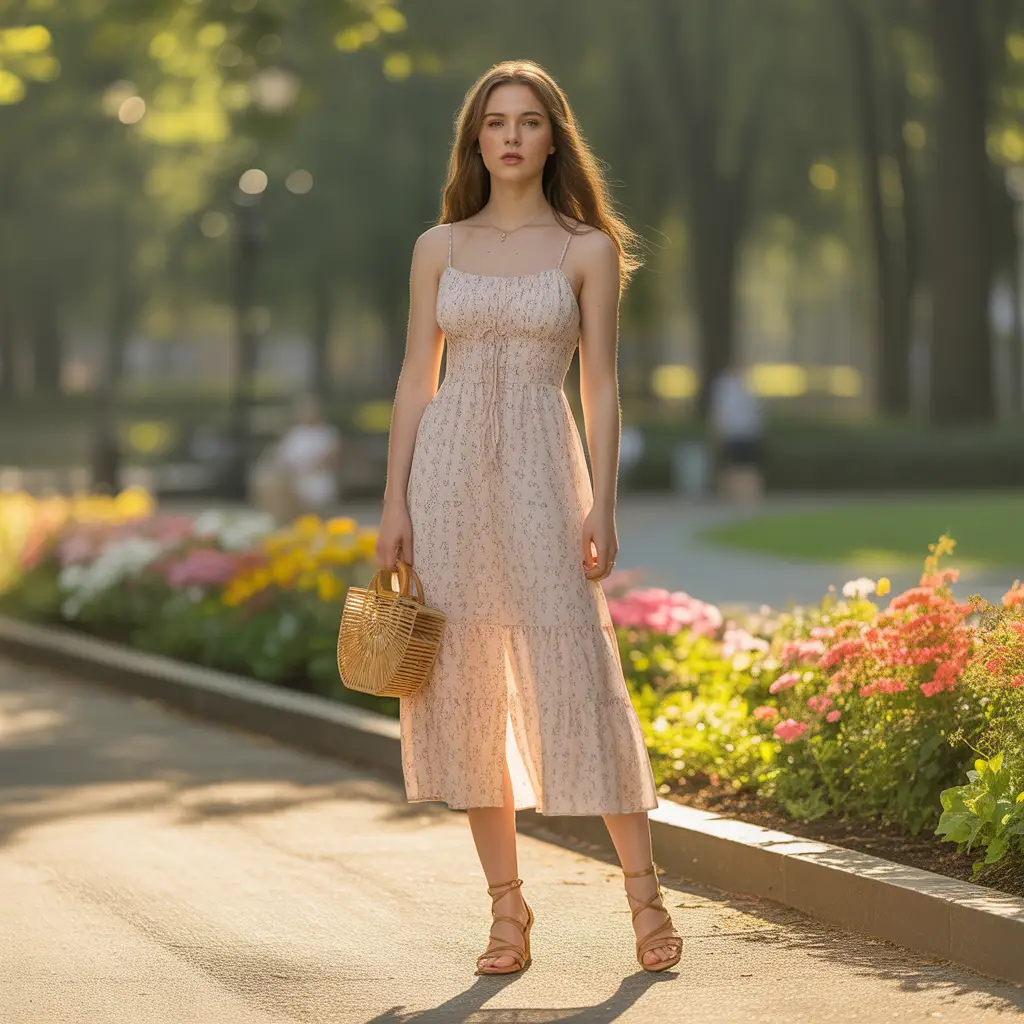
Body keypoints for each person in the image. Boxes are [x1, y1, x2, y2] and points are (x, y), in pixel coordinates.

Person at [374, 60, 681, 975]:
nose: (511, 135)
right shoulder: (438, 246)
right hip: (449, 477)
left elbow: (600, 386)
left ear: (554, 138)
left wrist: (605, 501)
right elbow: (412, 380)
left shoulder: (585, 249)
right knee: (466, 686)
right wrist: (393, 500)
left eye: (530, 121)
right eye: (496, 121)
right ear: (477, 138)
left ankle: (645, 898)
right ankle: (507, 914)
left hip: (547, 475)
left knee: (577, 668)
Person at [271, 394, 342, 519]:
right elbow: (282, 461)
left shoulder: (327, 433)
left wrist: (307, 467)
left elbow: (330, 460)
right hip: (293, 478)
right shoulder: (293, 434)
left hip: (318, 478)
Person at [708, 358, 765, 502]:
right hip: (734, 433)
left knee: (747, 467)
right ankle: (733, 497)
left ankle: (748, 497)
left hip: (748, 433)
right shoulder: (726, 386)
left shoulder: (748, 386)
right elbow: (721, 413)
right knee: (734, 466)